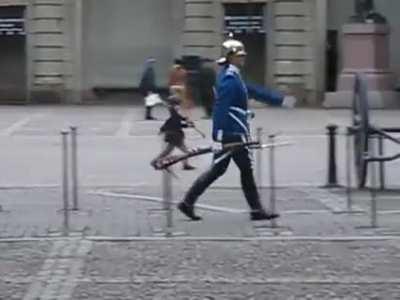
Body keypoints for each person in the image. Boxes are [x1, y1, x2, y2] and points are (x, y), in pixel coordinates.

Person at [177, 35, 281, 221]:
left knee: (225, 170)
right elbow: (221, 109)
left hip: (235, 130)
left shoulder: (233, 76)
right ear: (230, 57)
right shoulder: (228, 79)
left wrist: (279, 100)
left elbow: (253, 91)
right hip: (231, 133)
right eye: (239, 55)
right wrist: (219, 136)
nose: (243, 58)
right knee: (240, 170)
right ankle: (255, 210)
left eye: (243, 55)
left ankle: (188, 202)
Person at [151, 95, 196, 171]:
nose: (179, 106)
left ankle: (155, 161)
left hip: (174, 135)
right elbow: (177, 123)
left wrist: (185, 120)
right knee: (185, 151)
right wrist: (187, 124)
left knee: (168, 151)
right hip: (174, 135)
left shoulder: (173, 112)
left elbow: (178, 118)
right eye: (178, 104)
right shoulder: (173, 112)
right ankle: (185, 165)